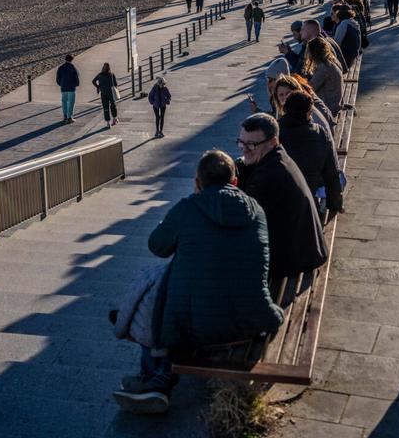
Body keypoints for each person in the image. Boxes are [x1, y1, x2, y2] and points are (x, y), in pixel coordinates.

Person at [111, 151, 284, 414]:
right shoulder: (255, 210)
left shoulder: (187, 208)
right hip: (251, 321)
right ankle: (157, 378)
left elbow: (157, 246)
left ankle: (154, 378)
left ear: (197, 182)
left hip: (195, 330)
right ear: (235, 182)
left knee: (159, 288)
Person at [235, 113, 327, 281]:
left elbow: (242, 223)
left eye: (252, 144)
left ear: (273, 142)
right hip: (306, 252)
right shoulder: (279, 157)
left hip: (294, 264)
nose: (244, 149)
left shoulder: (267, 177)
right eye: (241, 142)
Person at [277, 92, 343, 216]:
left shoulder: (276, 132)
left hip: (279, 201)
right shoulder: (319, 133)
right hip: (308, 201)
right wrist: (335, 203)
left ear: (285, 109)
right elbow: (331, 172)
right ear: (309, 112)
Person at [302, 37, 343, 115]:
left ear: (313, 53)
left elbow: (310, 89)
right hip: (335, 104)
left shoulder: (324, 68)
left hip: (329, 108)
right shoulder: (331, 62)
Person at [93, 62, 120, 127]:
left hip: (103, 93)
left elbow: (93, 81)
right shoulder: (112, 74)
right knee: (113, 106)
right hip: (111, 93)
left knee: (106, 108)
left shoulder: (99, 75)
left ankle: (108, 123)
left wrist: (98, 87)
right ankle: (114, 119)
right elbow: (116, 84)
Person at [56, 54, 79, 124]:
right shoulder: (73, 67)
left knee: (64, 102)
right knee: (71, 103)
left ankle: (65, 116)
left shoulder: (61, 67)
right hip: (71, 88)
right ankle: (69, 117)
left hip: (63, 87)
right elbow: (76, 77)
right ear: (71, 60)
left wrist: (61, 84)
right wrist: (76, 84)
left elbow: (57, 78)